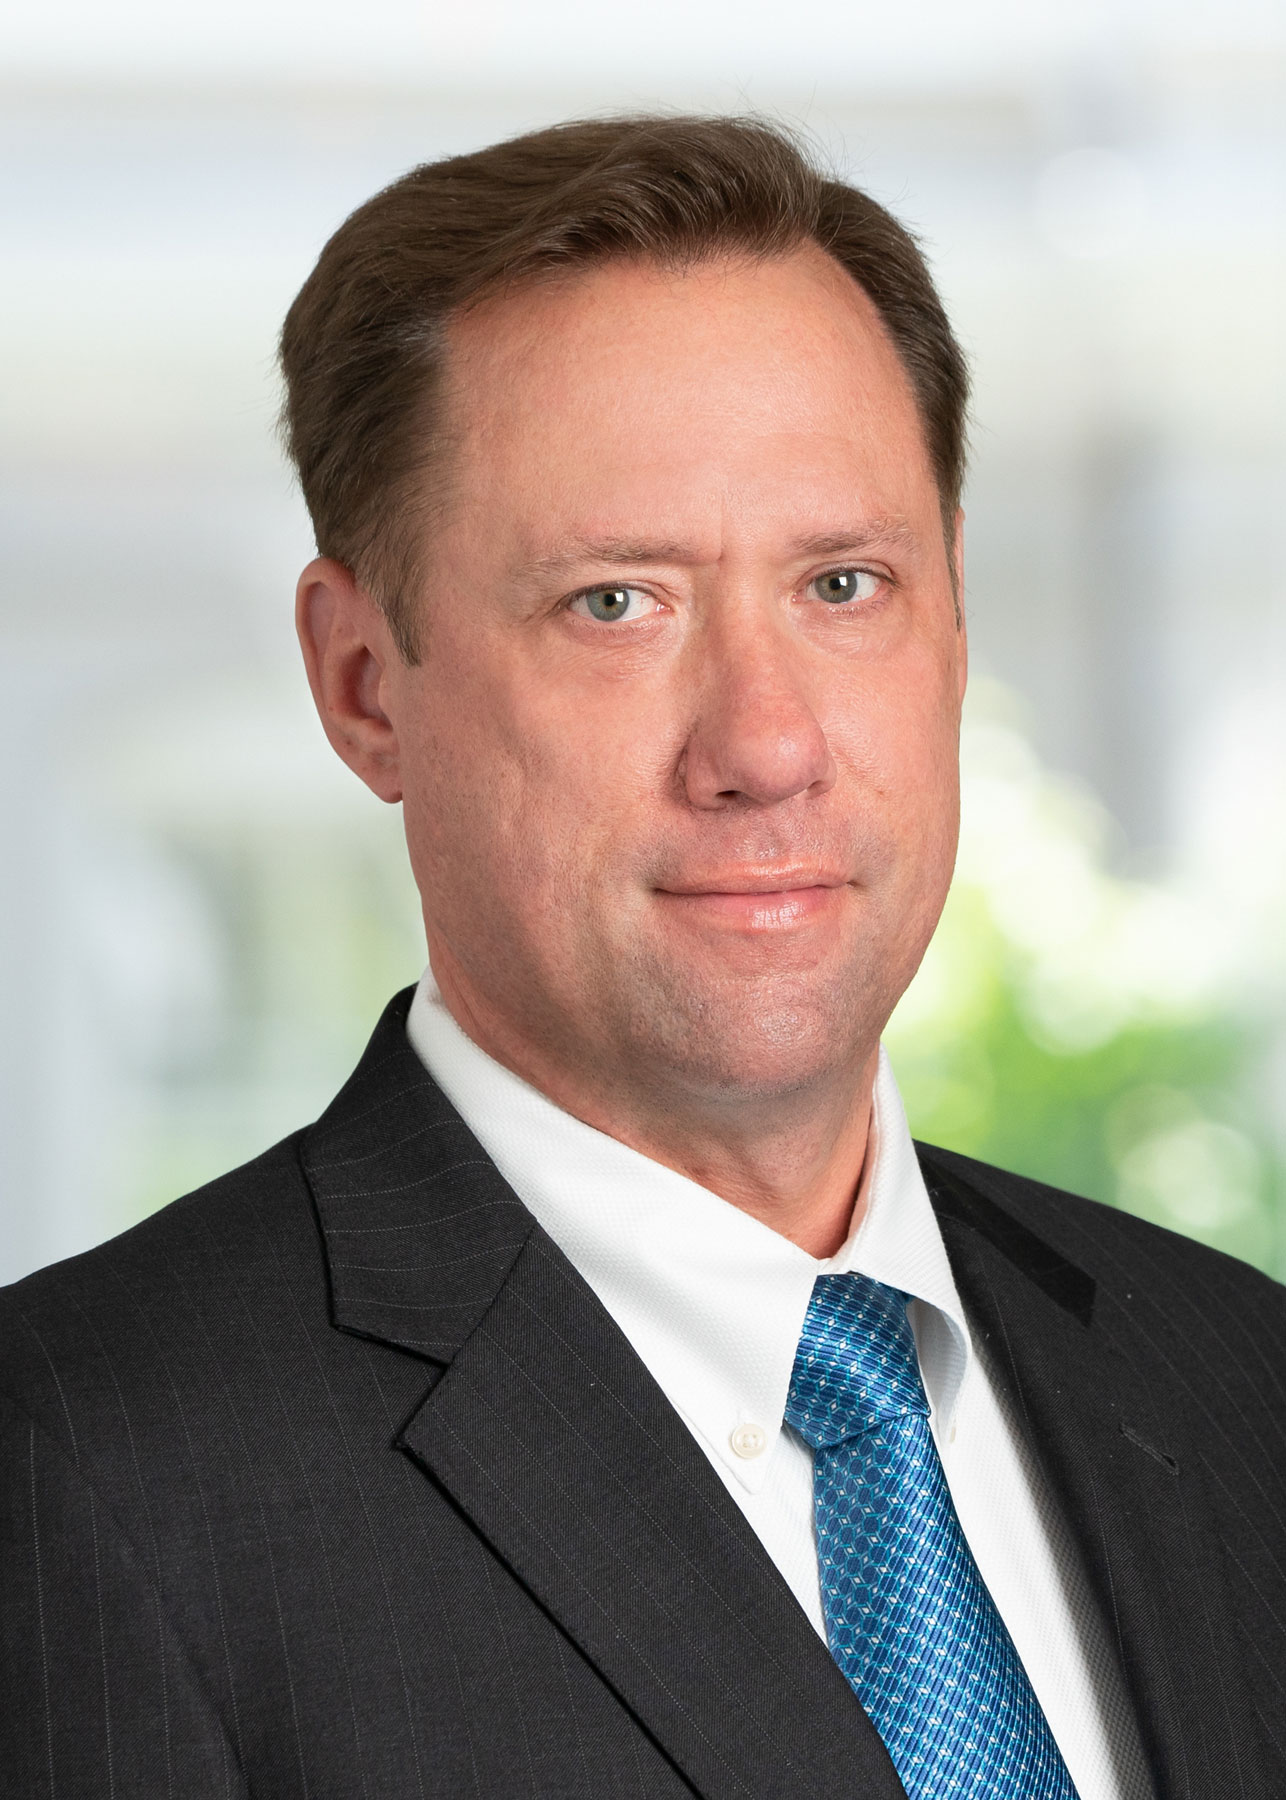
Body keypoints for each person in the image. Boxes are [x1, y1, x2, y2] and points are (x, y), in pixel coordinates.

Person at [1, 115, 1282, 1800]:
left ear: (954, 617)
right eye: (616, 603)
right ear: (363, 683)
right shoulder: (77, 1467)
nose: (764, 745)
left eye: (842, 583)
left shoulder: (1235, 1377)